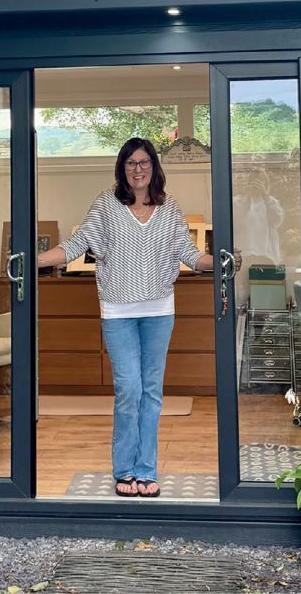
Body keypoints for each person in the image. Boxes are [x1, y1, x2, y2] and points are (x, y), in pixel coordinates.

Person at [37, 137, 215, 498]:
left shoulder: (170, 210)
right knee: (129, 390)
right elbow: (76, 245)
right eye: (131, 163)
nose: (138, 169)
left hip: (159, 311)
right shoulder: (105, 205)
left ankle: (146, 469)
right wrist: (33, 258)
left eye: (144, 162)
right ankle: (124, 469)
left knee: (151, 392)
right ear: (122, 168)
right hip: (118, 312)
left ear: (154, 167)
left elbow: (192, 256)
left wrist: (224, 260)